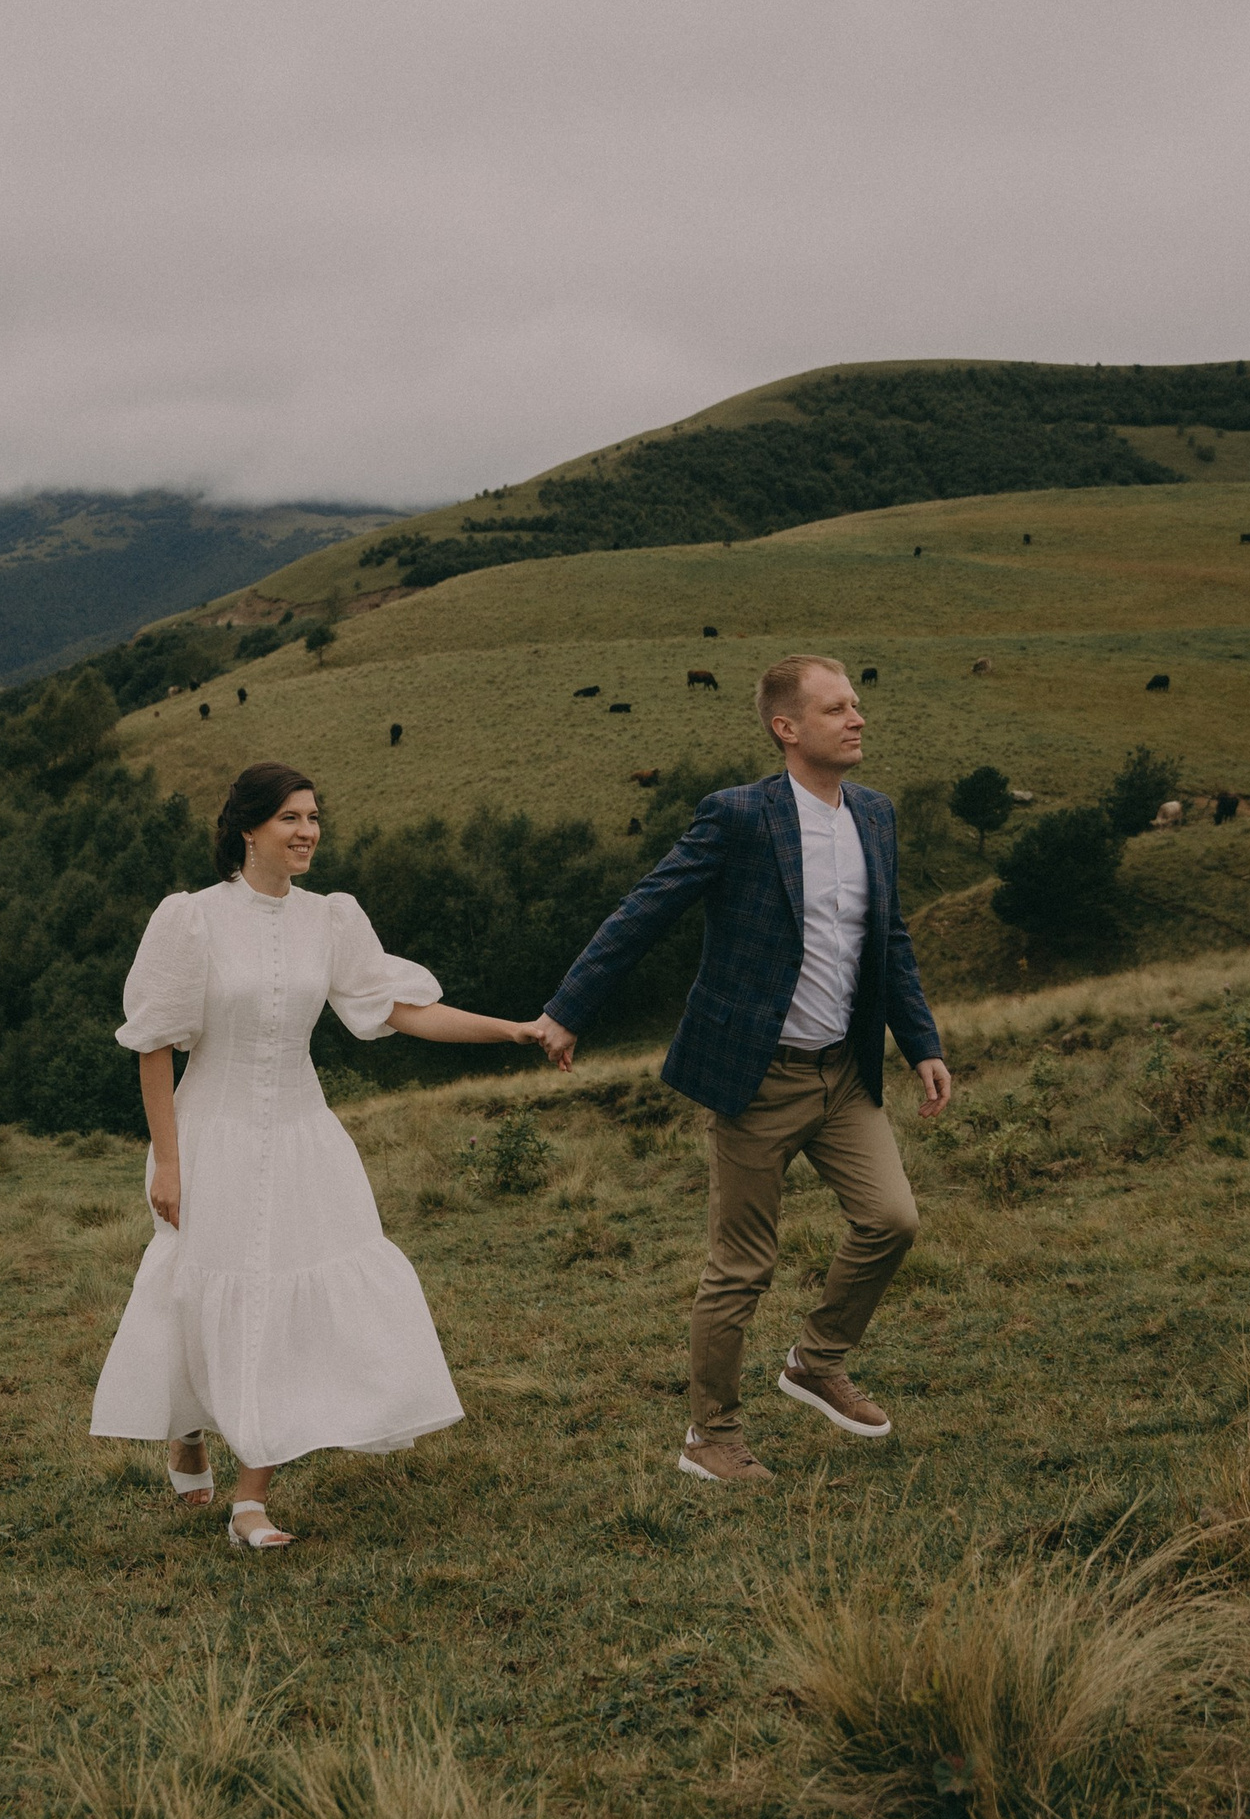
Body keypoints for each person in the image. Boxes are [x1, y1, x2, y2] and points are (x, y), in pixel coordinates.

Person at [92, 761, 549, 1549]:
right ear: (248, 830)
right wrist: (168, 1163)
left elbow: (401, 1009)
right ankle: (187, 1426)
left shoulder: (332, 918)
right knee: (201, 1288)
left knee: (281, 1301)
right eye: (290, 819)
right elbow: (155, 1047)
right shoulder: (191, 919)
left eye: (314, 818)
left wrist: (512, 1031)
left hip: (305, 1137)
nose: (307, 832)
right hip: (213, 1135)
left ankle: (250, 1500)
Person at [527, 658, 951, 1485]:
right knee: (741, 1268)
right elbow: (645, 909)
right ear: (786, 729)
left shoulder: (877, 816)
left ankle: (814, 1361)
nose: (858, 719)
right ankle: (710, 1437)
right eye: (837, 709)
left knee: (892, 1220)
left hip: (845, 1075)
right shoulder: (739, 818)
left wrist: (922, 1043)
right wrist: (569, 1008)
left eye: (858, 705)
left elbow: (889, 940)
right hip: (756, 1079)